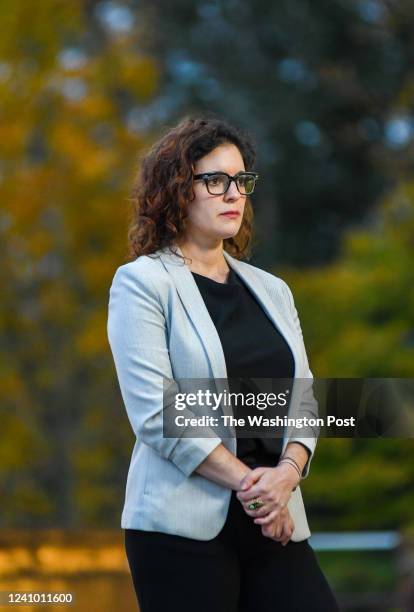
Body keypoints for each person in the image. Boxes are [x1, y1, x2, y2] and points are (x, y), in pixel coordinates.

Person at [107, 115, 339, 611]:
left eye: (241, 180)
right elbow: (158, 413)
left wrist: (287, 476)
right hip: (181, 529)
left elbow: (305, 400)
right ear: (176, 190)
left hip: (277, 518)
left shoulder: (273, 291)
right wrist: (253, 489)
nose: (233, 193)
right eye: (215, 179)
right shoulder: (143, 283)